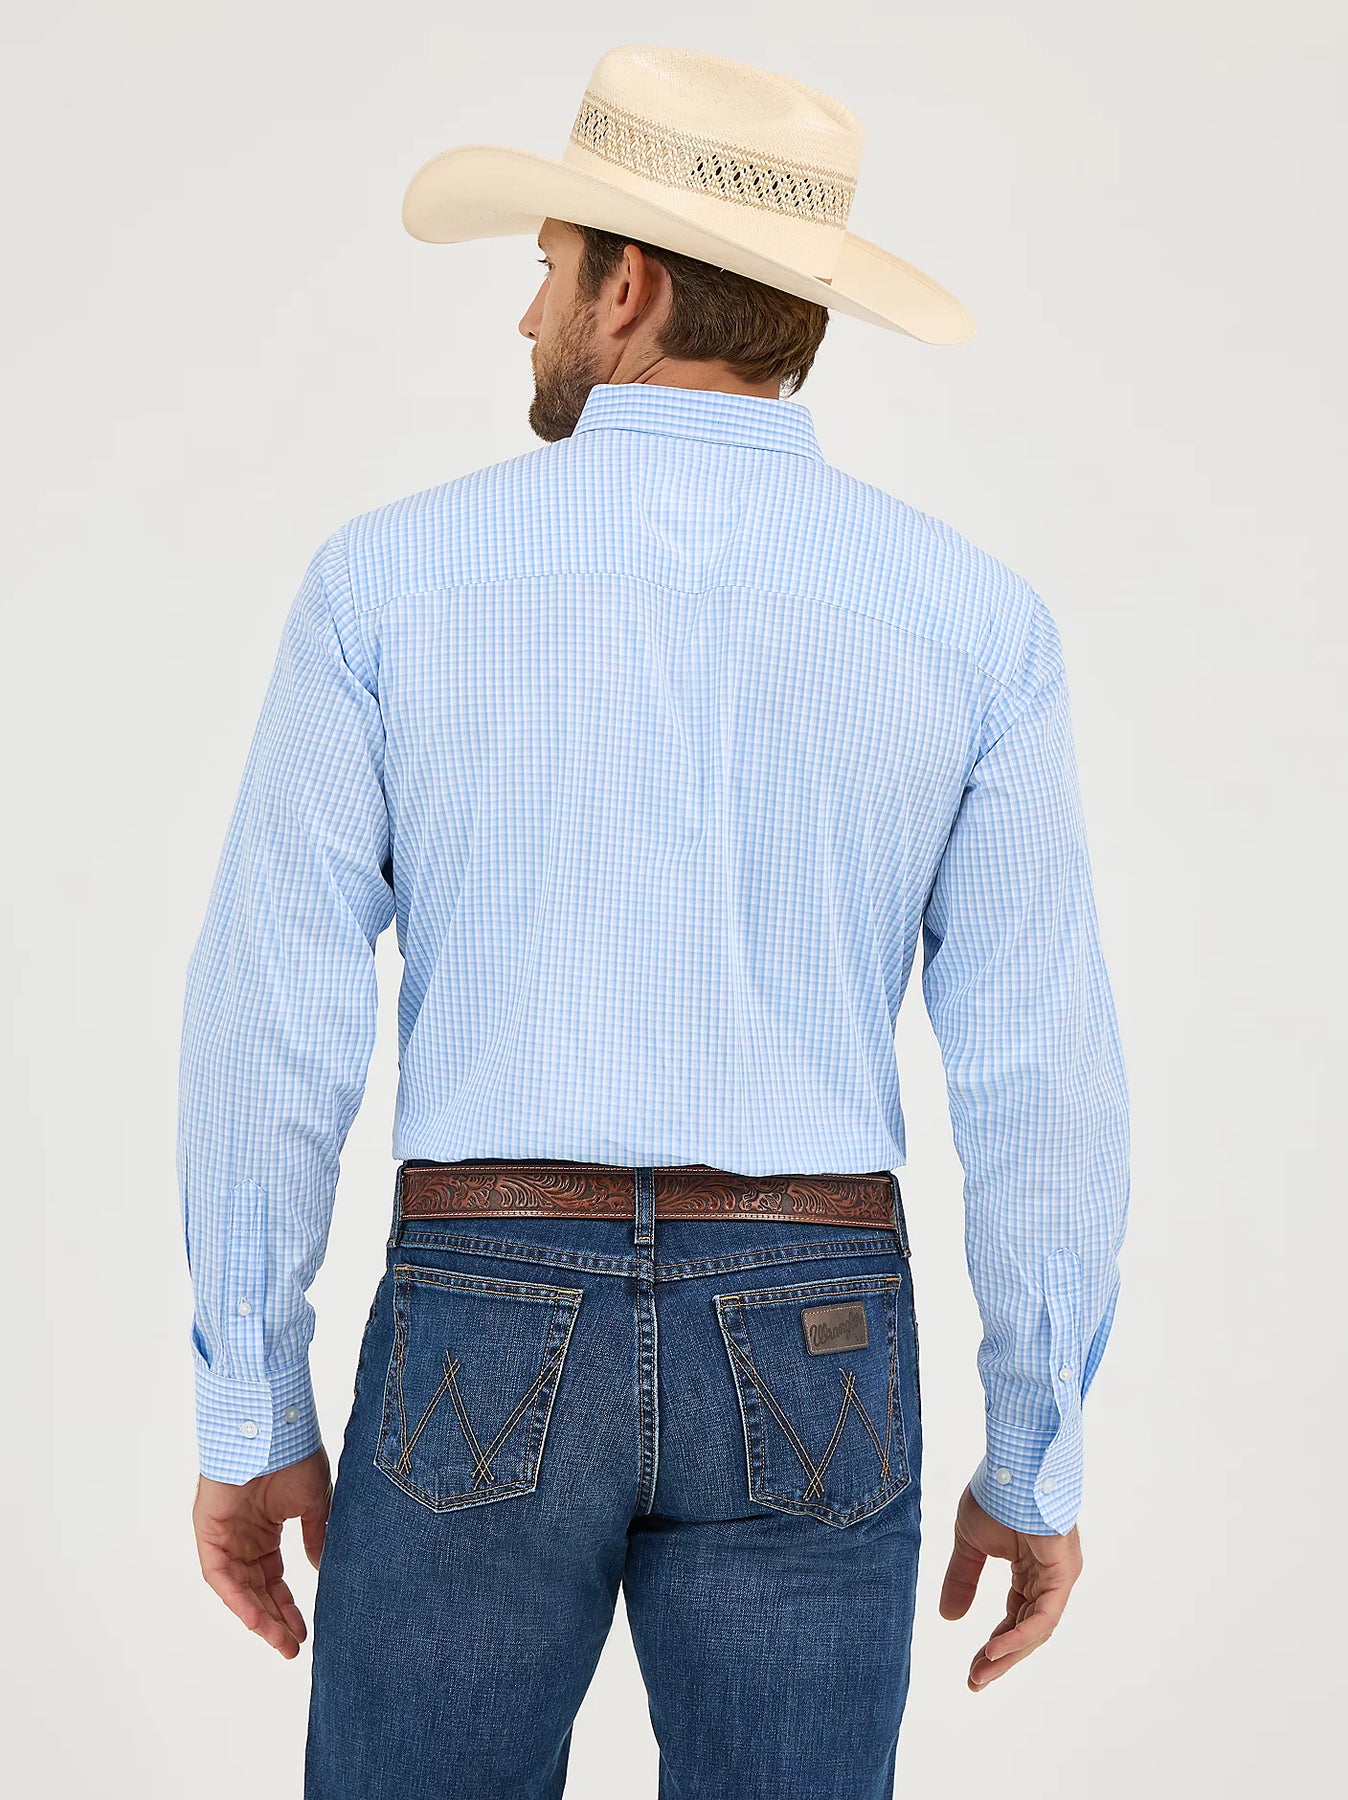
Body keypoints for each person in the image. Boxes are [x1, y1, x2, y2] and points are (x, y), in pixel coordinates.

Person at [179, 44, 1130, 1800]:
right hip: (816, 1319)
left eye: (547, 267)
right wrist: (1038, 1457)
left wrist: (253, 1409)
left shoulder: (388, 582)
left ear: (628, 288)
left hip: (482, 1295)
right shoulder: (973, 621)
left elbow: (270, 1021)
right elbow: (1041, 1073)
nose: (527, 312)